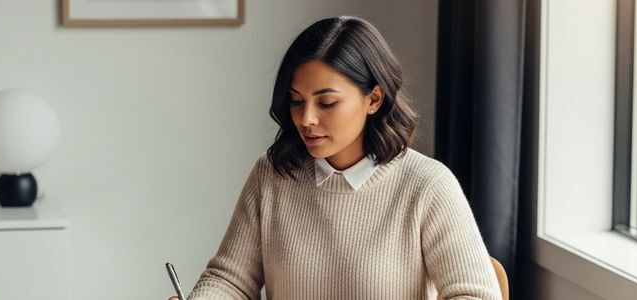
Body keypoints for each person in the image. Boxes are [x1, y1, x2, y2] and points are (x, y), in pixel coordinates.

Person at [169, 16, 501, 300]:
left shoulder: (427, 185)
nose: (306, 119)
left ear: (373, 99)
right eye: (297, 101)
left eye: (326, 103)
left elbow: (475, 294)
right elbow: (231, 280)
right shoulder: (271, 175)